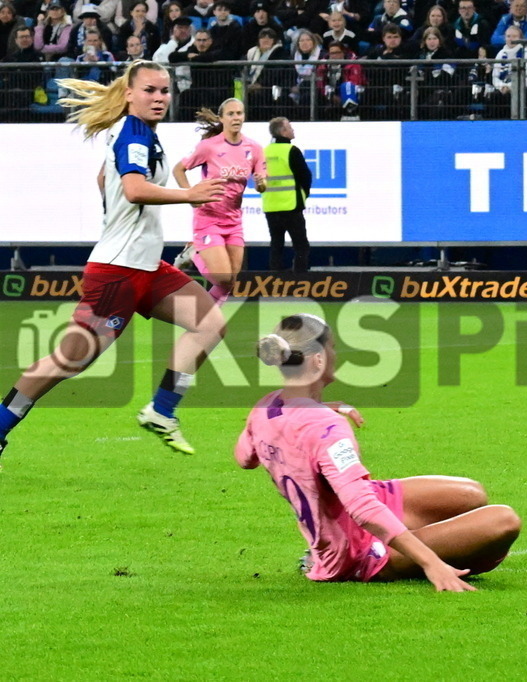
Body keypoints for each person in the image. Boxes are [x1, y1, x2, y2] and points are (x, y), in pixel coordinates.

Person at [0, 60, 227, 459]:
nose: (159, 97)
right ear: (129, 93)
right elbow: (135, 189)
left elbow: (105, 179)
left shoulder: (141, 134)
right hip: (118, 273)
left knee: (210, 323)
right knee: (71, 359)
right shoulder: (134, 133)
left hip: (146, 267)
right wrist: (189, 195)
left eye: (164, 90)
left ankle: (162, 410)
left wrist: (117, 212)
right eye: (149, 90)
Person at [237, 313, 522, 589]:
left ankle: (407, 539)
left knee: (472, 494)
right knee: (503, 520)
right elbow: (362, 507)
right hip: (352, 550)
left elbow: (245, 458)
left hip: (344, 518)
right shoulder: (327, 428)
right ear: (319, 359)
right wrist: (431, 563)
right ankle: (393, 554)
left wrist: (314, 412)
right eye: (333, 347)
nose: (336, 354)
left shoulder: (267, 406)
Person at [171, 98, 266, 307]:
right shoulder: (209, 147)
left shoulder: (255, 148)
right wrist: (190, 195)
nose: (236, 118)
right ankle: (194, 252)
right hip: (208, 218)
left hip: (233, 221)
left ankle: (207, 318)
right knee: (222, 277)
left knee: (230, 280)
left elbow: (262, 185)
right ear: (222, 118)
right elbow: (178, 169)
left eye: (239, 113)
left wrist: (261, 183)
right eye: (231, 114)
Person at [263, 117, 312, 271]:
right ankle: (300, 276)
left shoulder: (264, 152)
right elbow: (305, 176)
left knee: (276, 244)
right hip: (291, 205)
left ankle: (274, 277)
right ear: (283, 131)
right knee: (301, 245)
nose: (292, 130)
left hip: (271, 206)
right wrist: (304, 194)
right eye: (290, 127)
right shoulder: (291, 151)